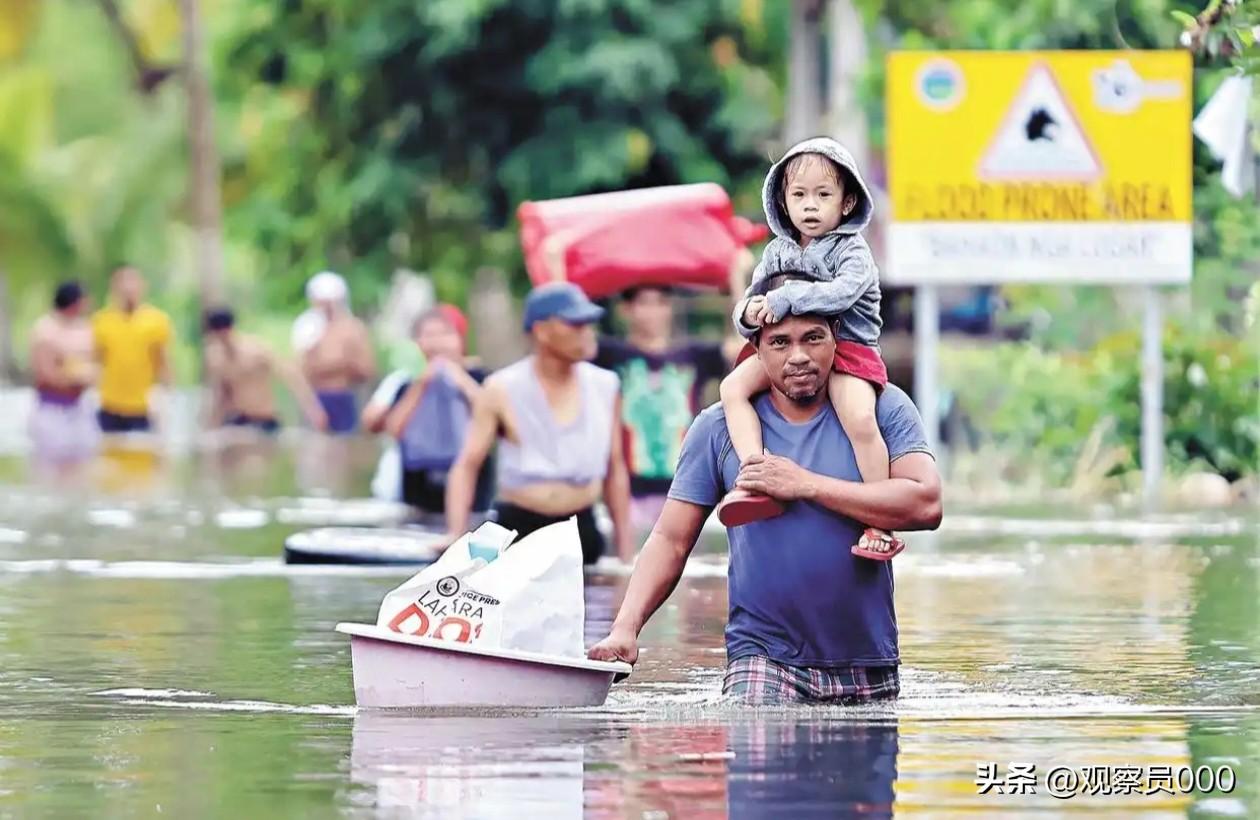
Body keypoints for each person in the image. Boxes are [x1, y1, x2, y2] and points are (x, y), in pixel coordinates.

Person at [588, 309, 942, 705]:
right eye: (779, 342)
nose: (799, 356)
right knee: (758, 748)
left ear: (836, 336)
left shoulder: (880, 407)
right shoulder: (717, 428)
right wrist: (625, 627)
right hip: (761, 659)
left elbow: (925, 504)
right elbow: (670, 540)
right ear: (755, 348)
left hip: (868, 658)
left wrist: (805, 484)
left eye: (813, 338)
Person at [718, 137, 903, 561]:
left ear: (848, 201)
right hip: (790, 350)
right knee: (732, 389)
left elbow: (840, 294)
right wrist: (748, 314)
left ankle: (879, 518)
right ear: (782, 202)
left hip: (848, 349)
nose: (811, 206)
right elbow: (751, 299)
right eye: (799, 195)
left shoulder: (853, 250)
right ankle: (754, 474)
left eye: (824, 195)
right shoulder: (777, 251)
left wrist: (783, 302)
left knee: (858, 416)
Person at [444, 282, 634, 565]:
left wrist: (626, 555)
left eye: (588, 324)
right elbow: (468, 464)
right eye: (575, 324)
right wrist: (454, 536)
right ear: (542, 331)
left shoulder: (605, 386)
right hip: (518, 528)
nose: (587, 333)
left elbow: (615, 469)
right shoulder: (501, 388)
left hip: (580, 527)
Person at [594, 282, 744, 533]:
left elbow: (743, 351)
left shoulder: (692, 355)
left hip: (686, 491)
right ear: (625, 309)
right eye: (644, 303)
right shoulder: (612, 356)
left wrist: (736, 280)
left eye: (660, 302)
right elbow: (565, 332)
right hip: (628, 494)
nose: (653, 311)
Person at [362, 305, 494, 518]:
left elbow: (493, 416)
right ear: (417, 342)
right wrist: (421, 385)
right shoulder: (407, 383)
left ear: (460, 339)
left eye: (445, 334)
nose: (438, 342)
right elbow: (394, 430)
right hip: (418, 491)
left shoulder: (481, 379)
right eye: (429, 335)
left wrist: (460, 379)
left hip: (473, 493)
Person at [202, 307, 327, 433]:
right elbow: (221, 394)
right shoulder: (215, 358)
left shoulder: (255, 350)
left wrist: (313, 410)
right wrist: (212, 424)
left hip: (263, 418)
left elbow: (290, 376)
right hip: (237, 420)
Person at [292, 271, 376, 434]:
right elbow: (301, 372)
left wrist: (340, 364)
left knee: (347, 448)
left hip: (345, 397)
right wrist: (312, 408)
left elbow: (367, 370)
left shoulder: (353, 329)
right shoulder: (307, 328)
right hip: (317, 398)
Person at [93, 266, 172, 433]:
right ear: (113, 287)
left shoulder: (157, 321)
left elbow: (163, 364)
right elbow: (96, 362)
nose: (127, 287)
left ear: (142, 286)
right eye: (122, 282)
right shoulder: (101, 321)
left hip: (142, 408)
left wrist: (163, 398)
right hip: (109, 405)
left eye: (132, 281)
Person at [28, 281, 99, 463]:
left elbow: (92, 362)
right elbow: (45, 374)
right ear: (75, 302)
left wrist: (91, 376)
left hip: (80, 407)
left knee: (84, 462)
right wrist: (73, 378)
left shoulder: (85, 328)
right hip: (52, 409)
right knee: (51, 464)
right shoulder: (45, 330)